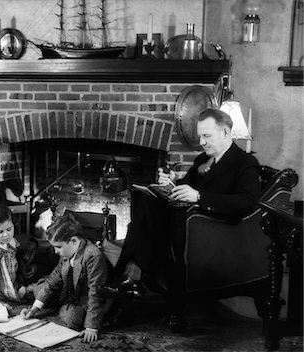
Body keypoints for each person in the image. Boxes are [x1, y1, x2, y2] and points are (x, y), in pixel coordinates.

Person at [98, 108, 261, 331]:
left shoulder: (245, 163)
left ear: (225, 132)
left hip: (212, 234)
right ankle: (131, 278)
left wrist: (200, 196)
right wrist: (172, 181)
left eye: (207, 136)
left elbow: (247, 203)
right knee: (148, 200)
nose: (201, 142)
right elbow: (187, 185)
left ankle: (130, 278)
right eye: (200, 136)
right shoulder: (205, 159)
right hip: (185, 225)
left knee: (152, 217)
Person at [20, 213, 110, 343]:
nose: (56, 251)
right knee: (41, 289)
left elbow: (95, 293)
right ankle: (47, 297)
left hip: (85, 300)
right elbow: (53, 281)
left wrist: (91, 327)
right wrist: (34, 308)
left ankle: (61, 306)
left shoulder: (93, 256)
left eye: (58, 247)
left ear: (73, 241)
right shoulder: (67, 253)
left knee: (72, 318)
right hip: (68, 292)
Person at [0, 202, 37, 302]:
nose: (6, 235)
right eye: (0, 232)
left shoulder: (10, 241)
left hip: (13, 280)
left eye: (9, 229)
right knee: (32, 294)